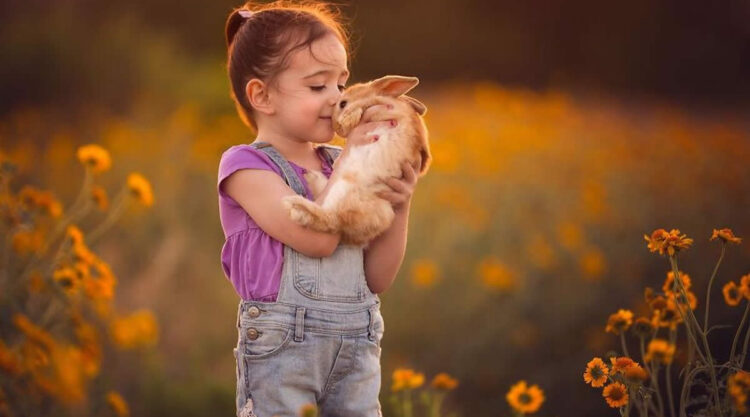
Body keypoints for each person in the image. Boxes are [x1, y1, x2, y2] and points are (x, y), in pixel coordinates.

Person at [217, 2, 420, 416]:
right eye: (317, 87)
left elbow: (377, 278)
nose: (336, 99)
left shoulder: (337, 160)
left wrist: (399, 203)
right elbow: (319, 239)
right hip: (283, 358)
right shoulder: (246, 167)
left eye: (342, 84)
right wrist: (351, 164)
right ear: (262, 95)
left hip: (357, 350)